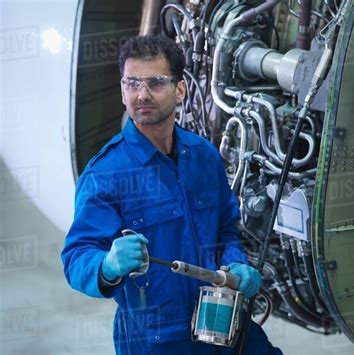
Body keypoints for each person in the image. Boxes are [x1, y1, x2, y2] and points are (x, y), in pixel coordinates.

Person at [61, 34, 282, 355]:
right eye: (132, 83)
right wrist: (106, 266)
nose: (142, 94)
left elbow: (224, 230)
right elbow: (76, 258)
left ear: (180, 90)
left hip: (222, 319)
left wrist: (235, 265)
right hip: (156, 338)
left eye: (155, 82)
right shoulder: (105, 174)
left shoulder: (203, 155)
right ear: (122, 90)